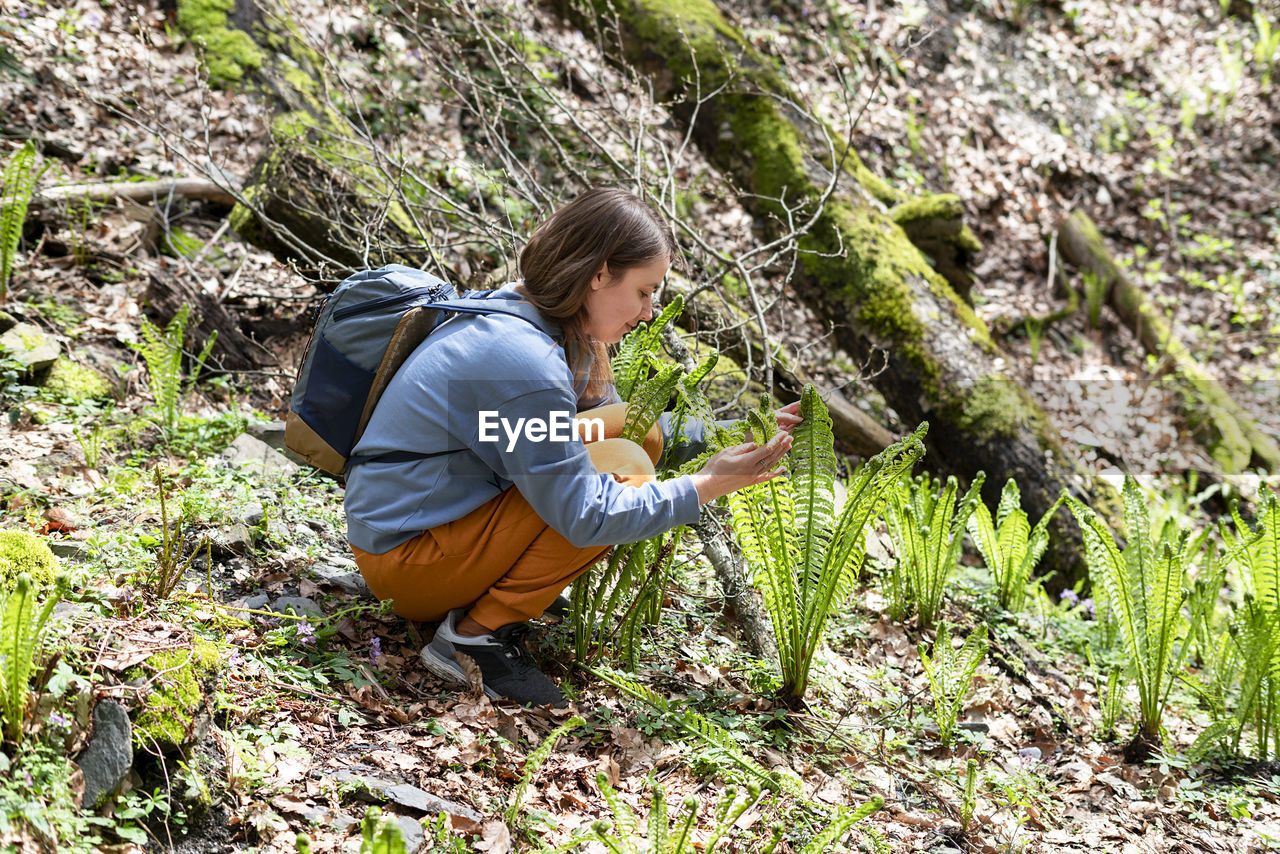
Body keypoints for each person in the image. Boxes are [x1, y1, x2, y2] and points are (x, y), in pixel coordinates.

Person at [344, 188, 801, 707]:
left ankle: (494, 588)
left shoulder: (527, 310)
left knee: (636, 432)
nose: (649, 313)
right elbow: (588, 514)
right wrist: (708, 485)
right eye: (645, 292)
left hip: (420, 518)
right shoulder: (524, 363)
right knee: (623, 466)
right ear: (600, 274)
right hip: (405, 562)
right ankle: (472, 638)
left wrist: (736, 431)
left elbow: (607, 430)